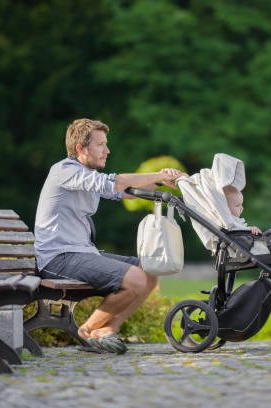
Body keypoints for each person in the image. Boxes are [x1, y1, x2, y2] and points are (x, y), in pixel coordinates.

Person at [34, 118, 184, 354]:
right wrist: (155, 173)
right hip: (57, 257)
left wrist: (161, 179)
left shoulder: (86, 173)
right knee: (135, 278)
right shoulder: (64, 171)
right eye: (101, 145)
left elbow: (125, 193)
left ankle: (106, 330)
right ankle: (86, 330)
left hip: (81, 252)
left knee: (151, 272)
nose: (107, 150)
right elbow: (113, 183)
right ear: (80, 149)